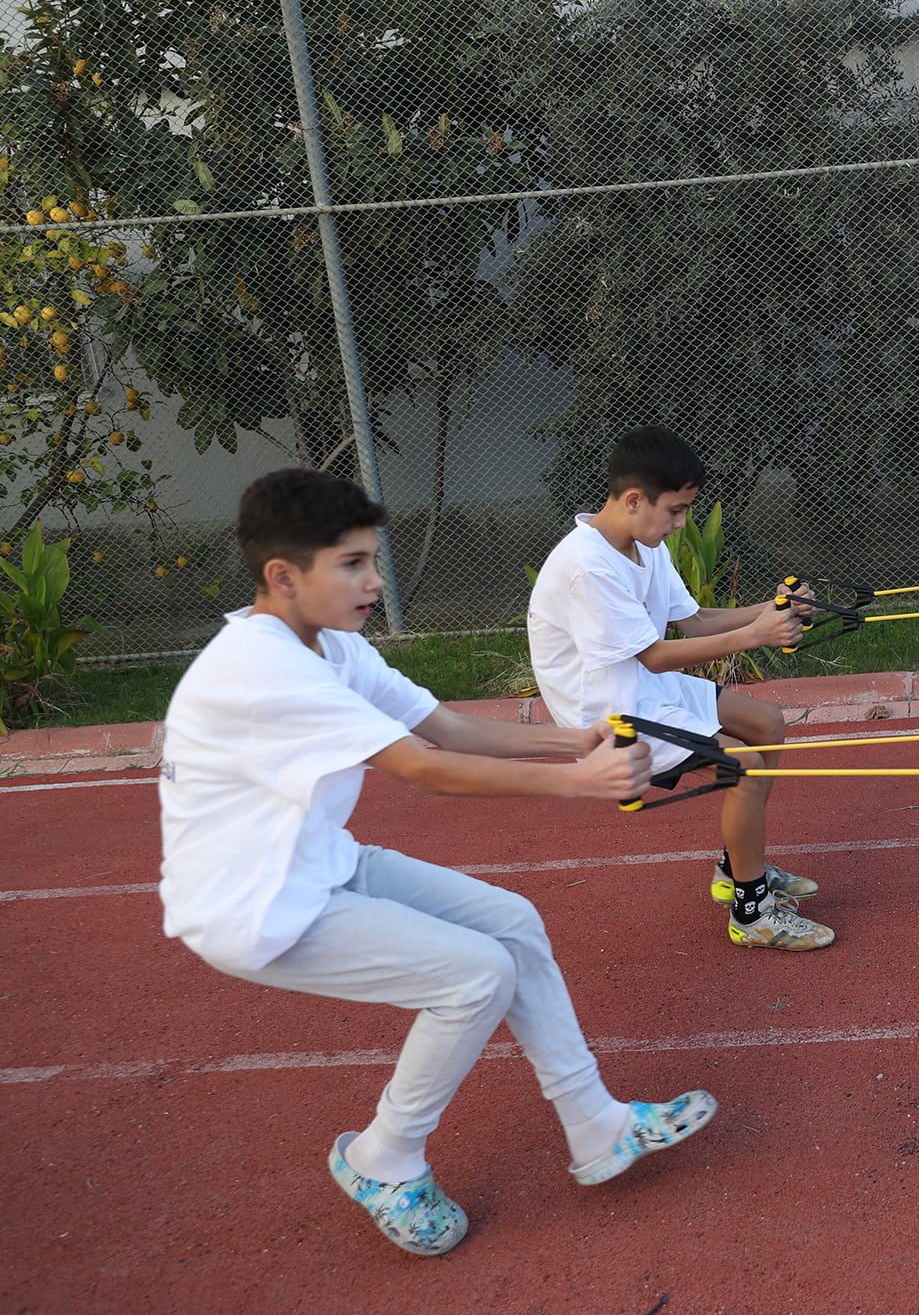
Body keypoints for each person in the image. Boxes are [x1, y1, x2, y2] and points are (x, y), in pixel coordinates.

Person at [159, 469, 716, 1255]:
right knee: (474, 974)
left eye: (371, 559)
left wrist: (578, 737)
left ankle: (598, 1124)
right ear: (283, 577)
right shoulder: (265, 668)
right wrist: (579, 782)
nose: (375, 581)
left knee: (512, 924)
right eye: (352, 564)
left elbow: (448, 728)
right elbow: (425, 769)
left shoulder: (330, 646)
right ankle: (383, 1157)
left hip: (318, 861)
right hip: (253, 907)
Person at [528, 425, 834, 950]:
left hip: (643, 687)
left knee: (767, 724)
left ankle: (737, 866)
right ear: (632, 499)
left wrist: (773, 611)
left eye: (687, 510)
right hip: (608, 714)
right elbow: (654, 652)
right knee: (744, 767)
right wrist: (756, 635)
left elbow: (691, 621)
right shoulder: (587, 565)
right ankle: (752, 913)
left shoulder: (643, 544)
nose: (680, 523)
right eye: (674, 510)